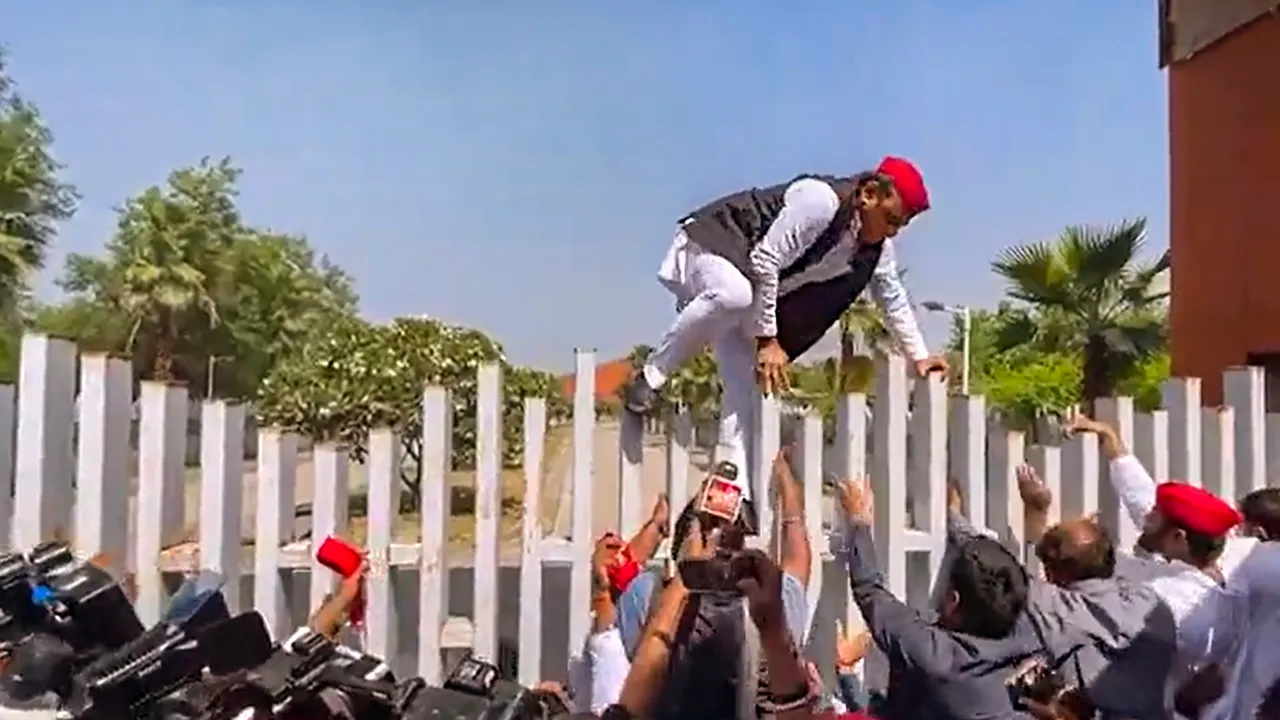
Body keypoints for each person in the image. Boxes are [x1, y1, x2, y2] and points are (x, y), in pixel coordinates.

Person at [622, 158, 948, 524]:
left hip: (753, 292)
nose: (893, 233)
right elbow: (764, 260)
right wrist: (767, 339)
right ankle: (651, 375)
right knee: (733, 294)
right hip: (712, 247)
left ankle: (737, 496)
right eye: (891, 220)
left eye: (900, 226)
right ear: (869, 194)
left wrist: (919, 355)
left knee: (744, 390)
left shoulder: (875, 251)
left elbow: (893, 298)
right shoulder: (820, 201)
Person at [837, 477, 1049, 719]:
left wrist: (858, 520)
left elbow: (870, 590)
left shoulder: (935, 656)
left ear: (953, 601)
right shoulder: (1032, 630)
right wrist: (956, 519)